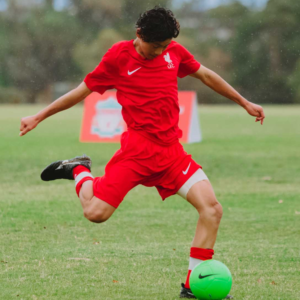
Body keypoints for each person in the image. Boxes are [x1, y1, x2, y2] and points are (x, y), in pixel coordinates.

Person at [19, 6, 265, 299]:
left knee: (212, 210)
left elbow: (207, 76)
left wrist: (244, 102)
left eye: (164, 46)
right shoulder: (117, 58)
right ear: (139, 34)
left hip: (172, 153)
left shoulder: (173, 52)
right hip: (137, 153)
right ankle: (78, 170)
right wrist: (39, 116)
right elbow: (80, 92)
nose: (160, 52)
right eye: (155, 46)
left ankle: (192, 285)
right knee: (95, 213)